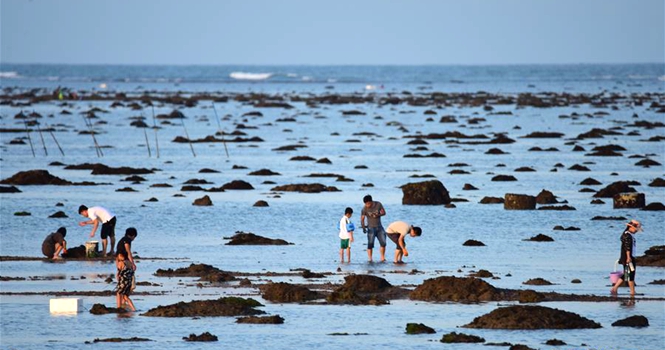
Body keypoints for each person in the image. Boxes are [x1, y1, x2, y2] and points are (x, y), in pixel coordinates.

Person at [610, 219, 643, 295]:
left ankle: (614, 289)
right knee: (630, 274)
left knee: (627, 274)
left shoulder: (628, 234)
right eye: (636, 229)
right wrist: (628, 257)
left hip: (629, 256)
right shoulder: (627, 235)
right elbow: (627, 247)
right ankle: (632, 292)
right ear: (630, 227)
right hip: (628, 257)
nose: (636, 231)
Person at [360, 195, 387, 262]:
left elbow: (384, 213)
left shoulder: (378, 204)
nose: (367, 205)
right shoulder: (364, 209)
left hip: (379, 227)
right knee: (370, 244)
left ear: (371, 201)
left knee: (383, 243)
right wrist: (363, 227)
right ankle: (370, 259)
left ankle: (382, 258)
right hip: (370, 228)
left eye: (368, 203)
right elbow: (362, 219)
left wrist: (378, 215)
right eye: (365, 204)